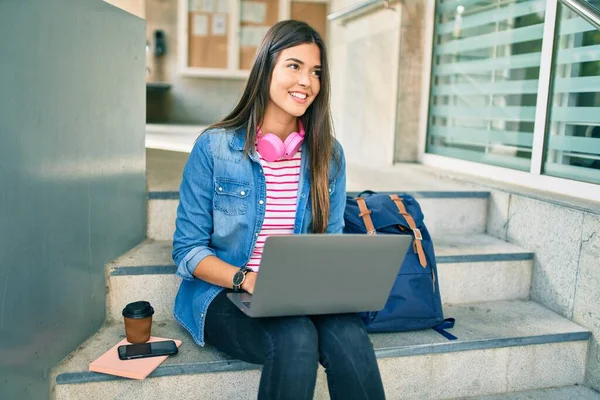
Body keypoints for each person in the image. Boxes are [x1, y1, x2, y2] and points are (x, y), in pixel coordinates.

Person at [172, 20, 386, 400]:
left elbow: (329, 244)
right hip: (226, 293)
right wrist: (248, 279)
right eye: (294, 66)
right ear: (265, 67)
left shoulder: (328, 156)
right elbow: (188, 250)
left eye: (315, 72)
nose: (307, 81)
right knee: (295, 336)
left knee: (350, 337)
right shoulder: (214, 149)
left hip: (301, 293)